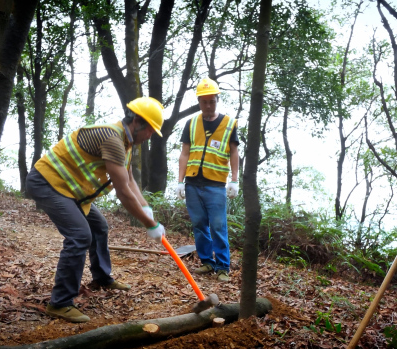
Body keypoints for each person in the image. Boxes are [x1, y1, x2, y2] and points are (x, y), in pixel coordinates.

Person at [26, 96, 167, 323]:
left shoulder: (126, 143)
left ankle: (102, 277)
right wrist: (150, 224)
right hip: (48, 182)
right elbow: (122, 192)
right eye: (150, 130)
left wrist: (146, 208)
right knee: (80, 235)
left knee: (99, 226)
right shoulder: (112, 138)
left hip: (72, 192)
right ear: (137, 122)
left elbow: (130, 180)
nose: (150, 135)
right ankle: (60, 303)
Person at [176, 78, 240, 282]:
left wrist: (235, 180)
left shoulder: (229, 124)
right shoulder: (191, 123)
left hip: (216, 184)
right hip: (193, 182)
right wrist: (179, 181)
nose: (208, 105)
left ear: (217, 100)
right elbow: (185, 152)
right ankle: (206, 262)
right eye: (204, 102)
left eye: (212, 101)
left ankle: (222, 266)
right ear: (199, 102)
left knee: (218, 225)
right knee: (199, 224)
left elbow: (234, 152)